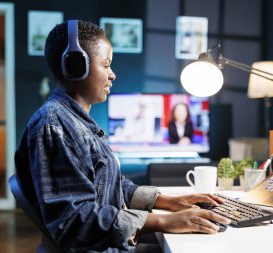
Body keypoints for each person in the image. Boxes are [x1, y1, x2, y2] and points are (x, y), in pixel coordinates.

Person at [14, 20, 230, 253]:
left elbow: (110, 185)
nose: (113, 75)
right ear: (76, 67)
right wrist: (163, 221)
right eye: (106, 65)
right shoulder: (55, 125)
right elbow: (74, 222)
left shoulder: (74, 120)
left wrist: (167, 201)